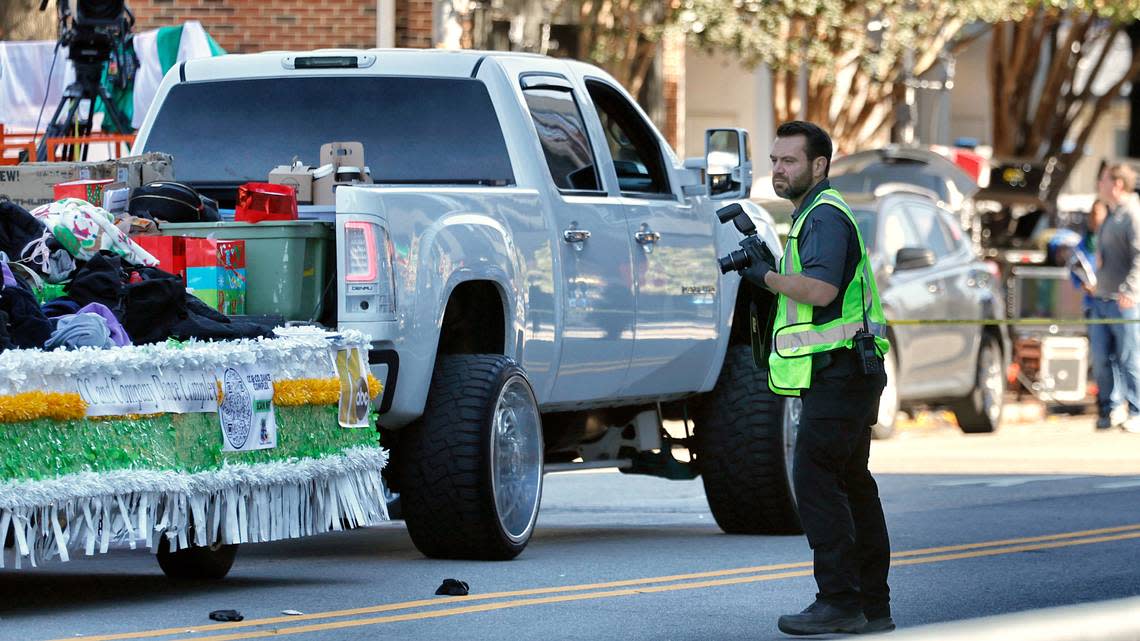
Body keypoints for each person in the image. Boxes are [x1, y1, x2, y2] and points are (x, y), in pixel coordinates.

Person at [736, 121, 893, 635]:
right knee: (851, 486)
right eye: (775, 160)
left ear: (819, 165)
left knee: (818, 481)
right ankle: (871, 606)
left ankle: (840, 602)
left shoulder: (824, 216)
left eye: (789, 161)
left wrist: (764, 275)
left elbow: (821, 293)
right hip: (847, 370)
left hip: (843, 373)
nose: (779, 169)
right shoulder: (815, 214)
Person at [1090, 163, 1140, 434]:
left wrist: (1131, 290)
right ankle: (1109, 409)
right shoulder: (1110, 214)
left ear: (1118, 184)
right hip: (1102, 297)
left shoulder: (1132, 213)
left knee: (1130, 357)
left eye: (1104, 180)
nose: (1100, 185)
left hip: (1125, 300)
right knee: (1100, 358)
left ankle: (1136, 410)